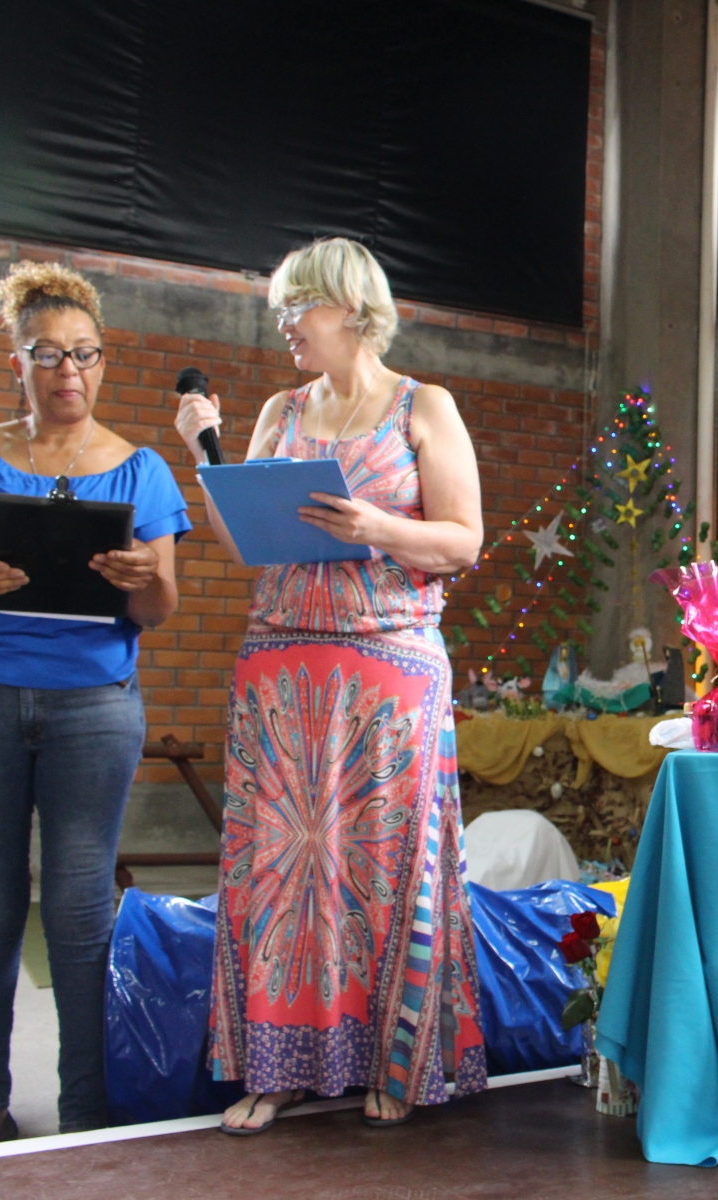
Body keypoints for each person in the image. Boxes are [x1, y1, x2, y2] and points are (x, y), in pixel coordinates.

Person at [174, 238, 487, 1133]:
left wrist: (375, 525)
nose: (284, 324)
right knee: (281, 876)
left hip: (389, 673)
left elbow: (464, 540)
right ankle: (277, 1069)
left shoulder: (425, 406)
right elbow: (243, 542)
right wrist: (204, 457)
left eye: (297, 305)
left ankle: (395, 1061)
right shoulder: (282, 410)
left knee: (384, 870)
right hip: (281, 673)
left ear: (351, 308)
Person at [0, 262, 188, 1147]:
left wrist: (143, 578)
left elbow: (159, 609)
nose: (70, 370)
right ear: (17, 362)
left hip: (93, 707)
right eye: (49, 354)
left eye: (86, 353)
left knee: (77, 906)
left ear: (103, 361)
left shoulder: (141, 471)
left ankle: (83, 1110)